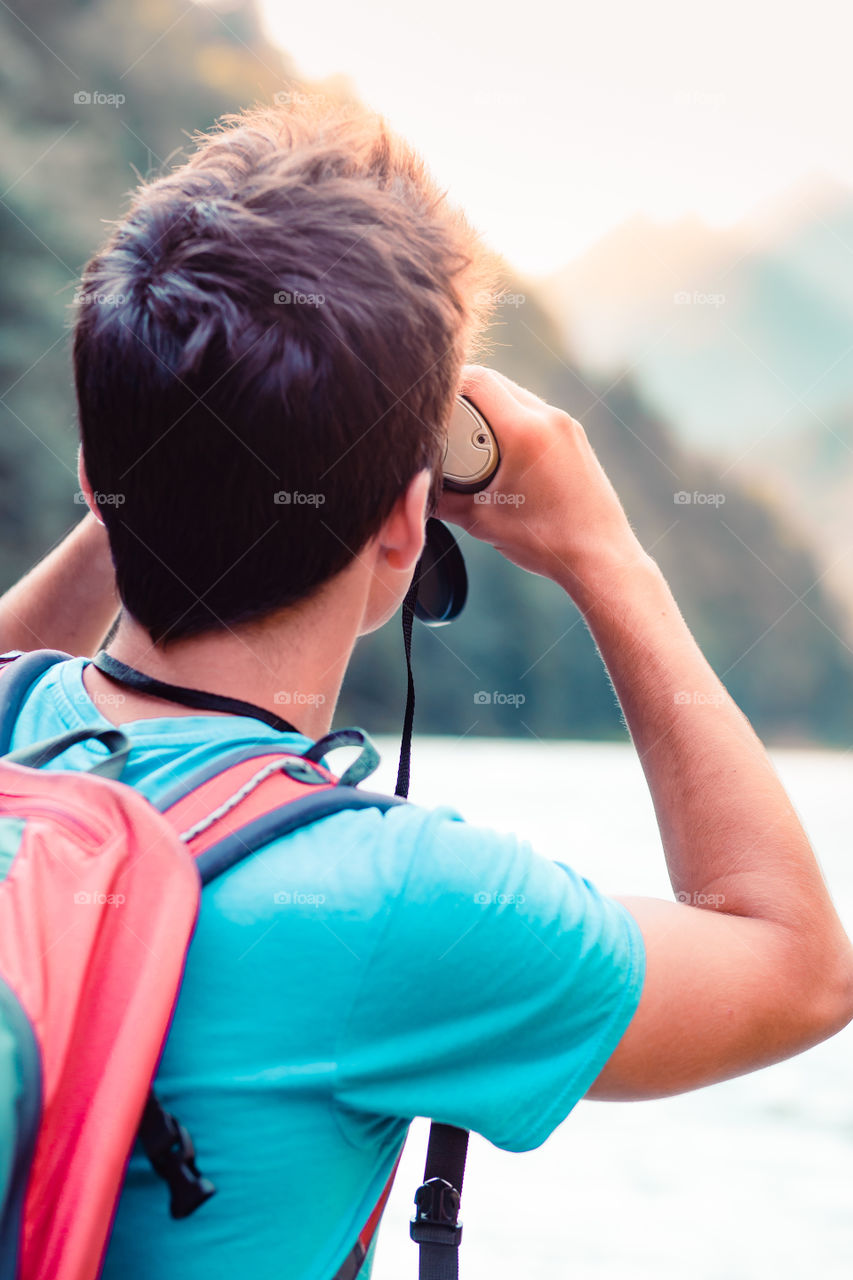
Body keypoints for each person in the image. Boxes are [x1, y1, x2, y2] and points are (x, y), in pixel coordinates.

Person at [1, 99, 851, 1280]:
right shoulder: (400, 900)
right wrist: (609, 556)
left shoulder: (15, 729)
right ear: (408, 522)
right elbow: (799, 966)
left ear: (93, 476)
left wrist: (158, 465)